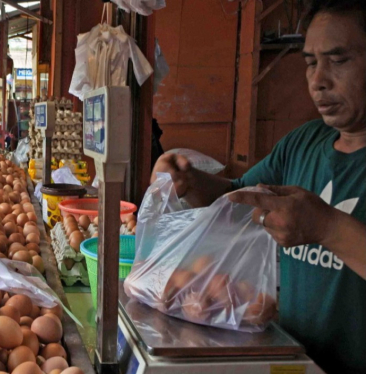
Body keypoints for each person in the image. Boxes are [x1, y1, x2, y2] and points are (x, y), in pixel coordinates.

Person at [151, 1, 365, 372]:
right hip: (295, 360)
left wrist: (327, 227)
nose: (318, 80)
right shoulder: (303, 143)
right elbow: (236, 196)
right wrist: (189, 182)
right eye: (311, 62)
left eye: (339, 60)